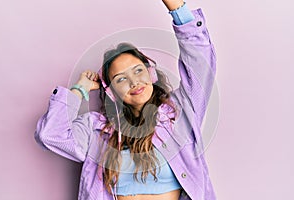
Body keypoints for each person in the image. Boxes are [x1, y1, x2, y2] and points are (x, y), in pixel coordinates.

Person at [35, 0, 217, 199]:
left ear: (151, 74)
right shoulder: (96, 130)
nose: (134, 82)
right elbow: (50, 134)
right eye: (121, 79)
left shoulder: (180, 113)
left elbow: (201, 64)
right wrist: (80, 89)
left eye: (138, 71)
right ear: (112, 92)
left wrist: (177, 8)